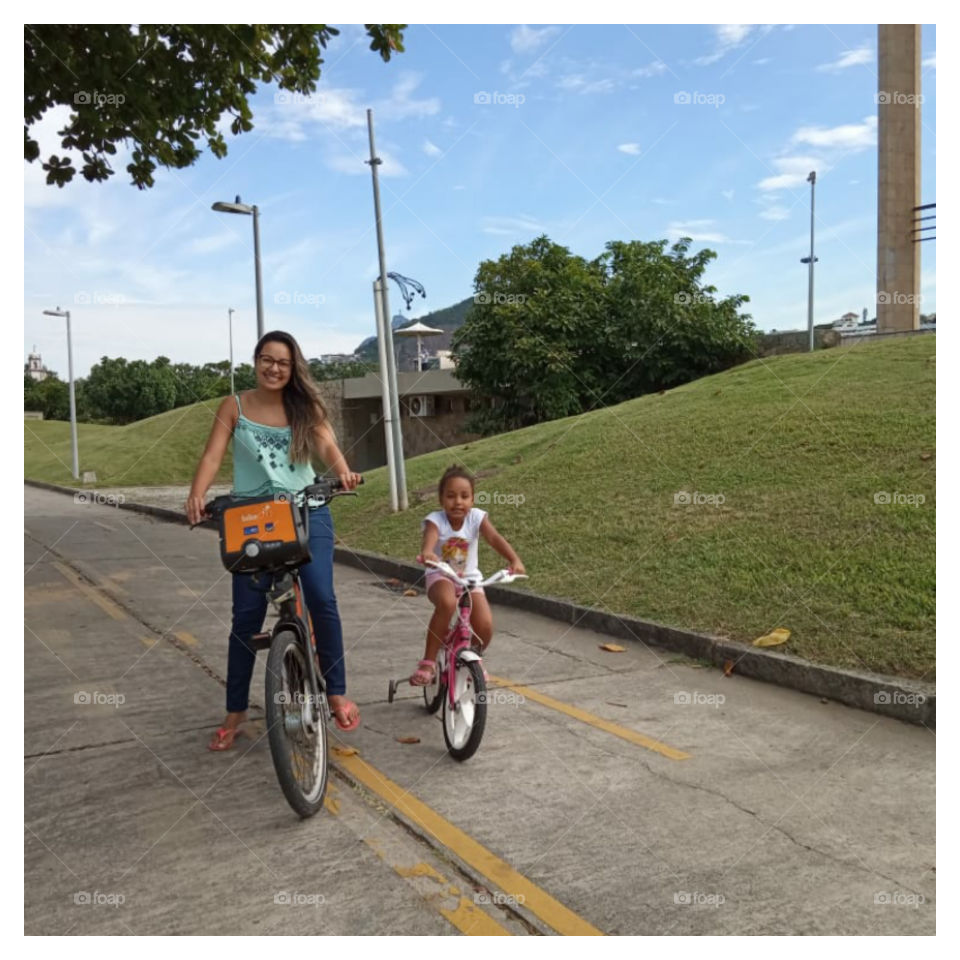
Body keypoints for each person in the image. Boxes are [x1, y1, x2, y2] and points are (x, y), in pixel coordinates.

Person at [185, 331, 362, 750]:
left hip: (307, 511)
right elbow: (212, 455)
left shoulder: (305, 407)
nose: (274, 368)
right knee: (245, 618)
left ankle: (336, 692)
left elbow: (326, 444)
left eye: (283, 362)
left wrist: (343, 471)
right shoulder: (234, 406)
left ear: (292, 367)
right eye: (267, 359)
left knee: (321, 597)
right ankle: (236, 711)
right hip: (252, 519)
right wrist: (196, 495)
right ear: (256, 360)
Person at [410, 464, 525, 685]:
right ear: (441, 499)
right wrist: (427, 552)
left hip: (470, 580)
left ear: (472, 499)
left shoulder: (477, 518)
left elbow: (494, 538)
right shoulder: (436, 520)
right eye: (451, 496)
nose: (458, 502)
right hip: (441, 576)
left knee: (485, 626)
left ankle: (471, 659)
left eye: (464, 496)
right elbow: (430, 539)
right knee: (447, 603)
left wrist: (514, 560)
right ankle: (428, 662)